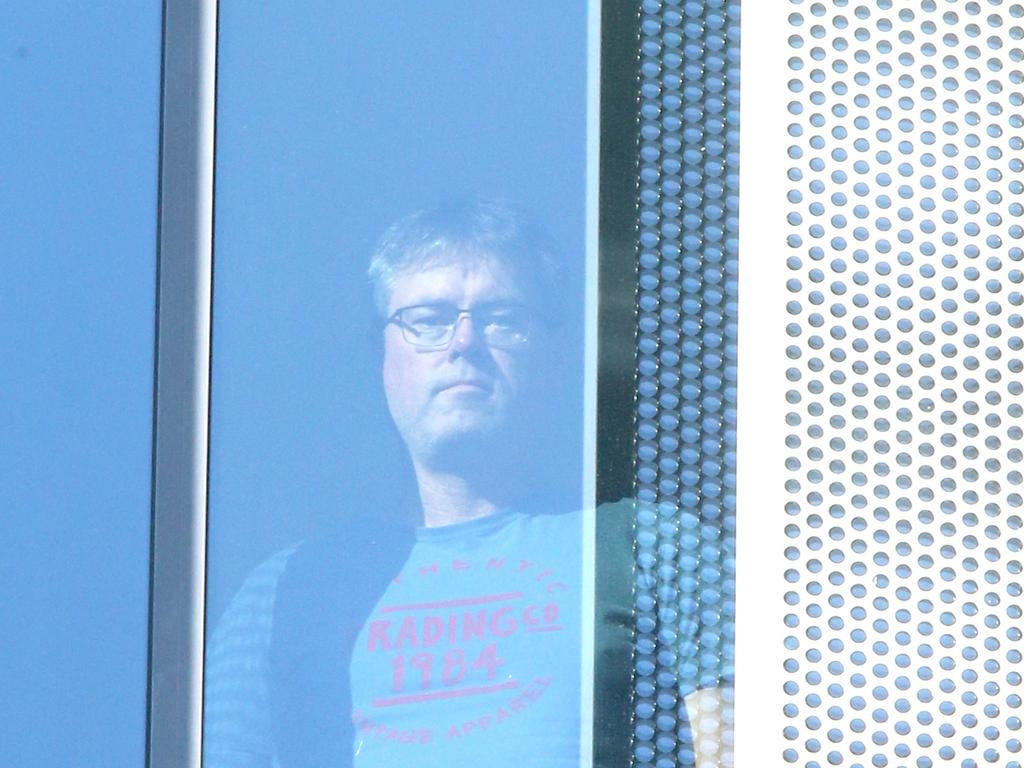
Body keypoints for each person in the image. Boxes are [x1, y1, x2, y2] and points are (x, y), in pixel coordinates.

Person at [203, 198, 587, 768]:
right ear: (380, 355)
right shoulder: (286, 592)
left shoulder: (644, 548)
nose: (464, 342)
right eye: (428, 320)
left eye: (502, 319)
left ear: (555, 356)